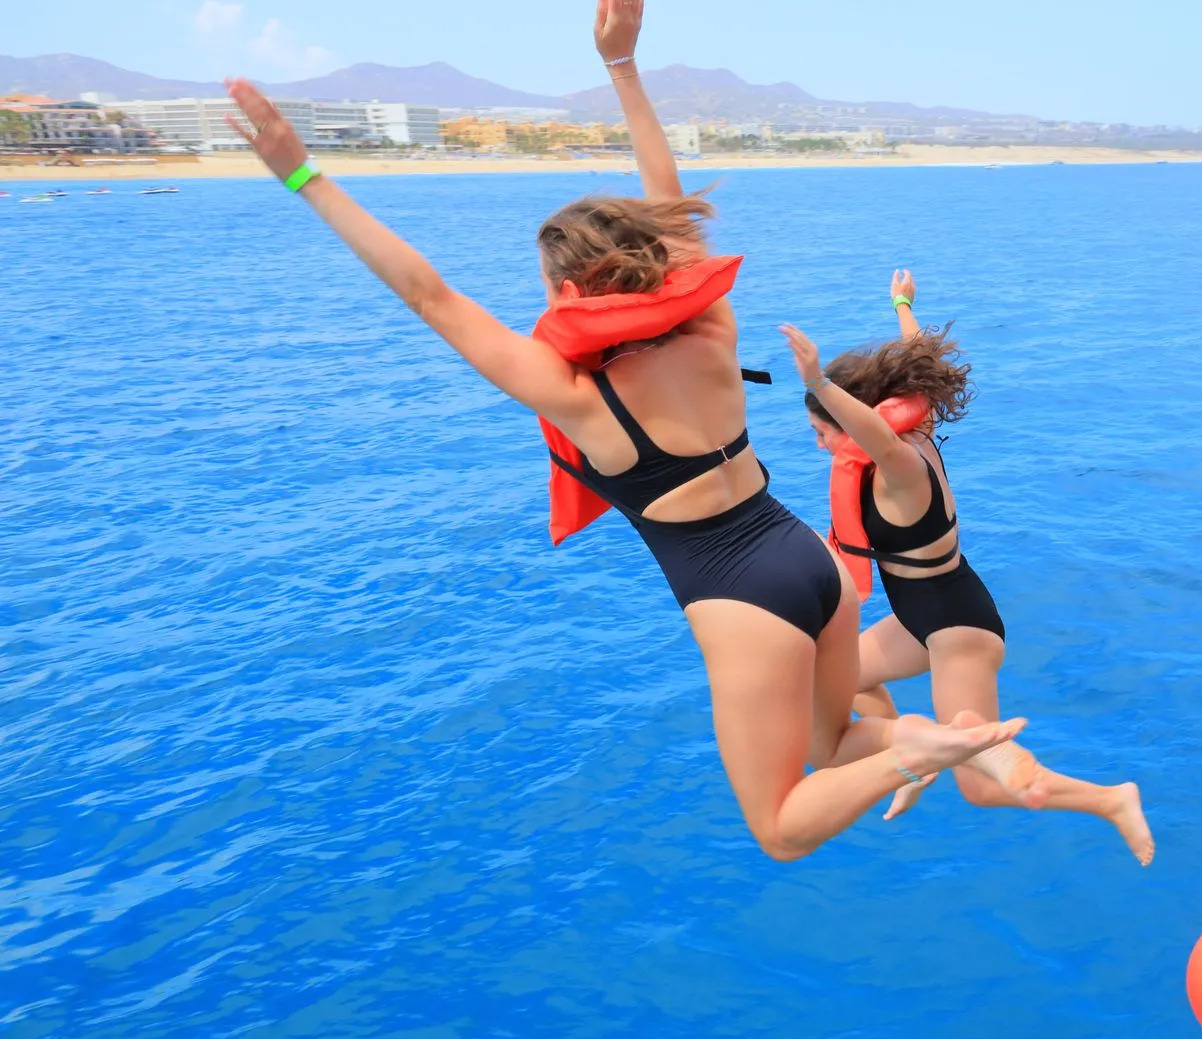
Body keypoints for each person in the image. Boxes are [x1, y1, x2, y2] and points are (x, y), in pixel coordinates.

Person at [216, 0, 1032, 861]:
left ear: (571, 289)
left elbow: (431, 295)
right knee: (830, 749)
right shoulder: (711, 331)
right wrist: (622, 65)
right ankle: (910, 749)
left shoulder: (572, 394)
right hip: (813, 563)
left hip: (748, 605)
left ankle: (922, 749)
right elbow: (671, 205)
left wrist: (303, 175)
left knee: (781, 827)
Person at [779, 274, 1154, 864]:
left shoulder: (899, 463)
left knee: (981, 786)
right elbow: (920, 363)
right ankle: (912, 763)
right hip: (918, 618)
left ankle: (1111, 799)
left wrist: (817, 381)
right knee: (836, 677)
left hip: (959, 630)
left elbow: (870, 432)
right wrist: (904, 308)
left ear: (850, 421)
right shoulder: (916, 428)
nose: (822, 446)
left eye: (821, 432)